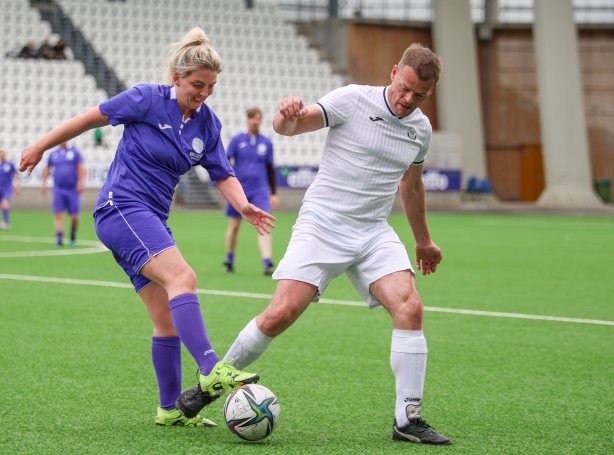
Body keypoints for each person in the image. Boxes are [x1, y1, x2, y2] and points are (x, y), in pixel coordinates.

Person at [177, 43, 452, 444]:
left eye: (420, 96)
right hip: (322, 224)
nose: (409, 100)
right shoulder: (352, 99)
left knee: (410, 306)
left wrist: (423, 241)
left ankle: (407, 419)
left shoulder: (420, 129)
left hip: (373, 230)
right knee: (280, 314)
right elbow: (290, 127)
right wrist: (285, 114)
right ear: (395, 71)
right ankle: (210, 384)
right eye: (405, 88)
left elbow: (411, 187)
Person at [20, 27, 275, 428]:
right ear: (176, 78)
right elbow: (88, 119)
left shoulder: (207, 124)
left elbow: (223, 173)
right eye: (197, 84)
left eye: (211, 86)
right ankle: (212, 367)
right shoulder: (145, 99)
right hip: (119, 209)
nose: (204, 92)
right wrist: (40, 146)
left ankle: (169, 409)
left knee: (166, 320)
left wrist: (243, 204)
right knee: (183, 277)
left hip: (149, 219)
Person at [223, 107, 279, 275]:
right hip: (239, 190)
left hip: (260, 190)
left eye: (258, 119)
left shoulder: (267, 143)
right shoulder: (236, 140)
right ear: (248, 120)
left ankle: (267, 263)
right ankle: (229, 260)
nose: (255, 122)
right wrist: (224, 185)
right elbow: (225, 161)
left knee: (263, 224)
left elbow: (270, 169)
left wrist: (274, 193)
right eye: (253, 119)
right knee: (234, 225)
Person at [41, 141, 86, 247]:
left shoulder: (75, 152)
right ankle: (59, 239)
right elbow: (47, 168)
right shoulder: (53, 154)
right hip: (58, 189)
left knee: (74, 216)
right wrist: (43, 183)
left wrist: (80, 182)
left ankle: (73, 234)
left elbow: (81, 168)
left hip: (72, 189)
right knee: (58, 214)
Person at [0, 150, 20, 230]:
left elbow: (16, 173)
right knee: (1, 204)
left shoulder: (9, 164)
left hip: (7, 187)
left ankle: (6, 222)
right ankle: (4, 221)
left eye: (2, 154)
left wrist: (17, 185)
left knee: (5, 203)